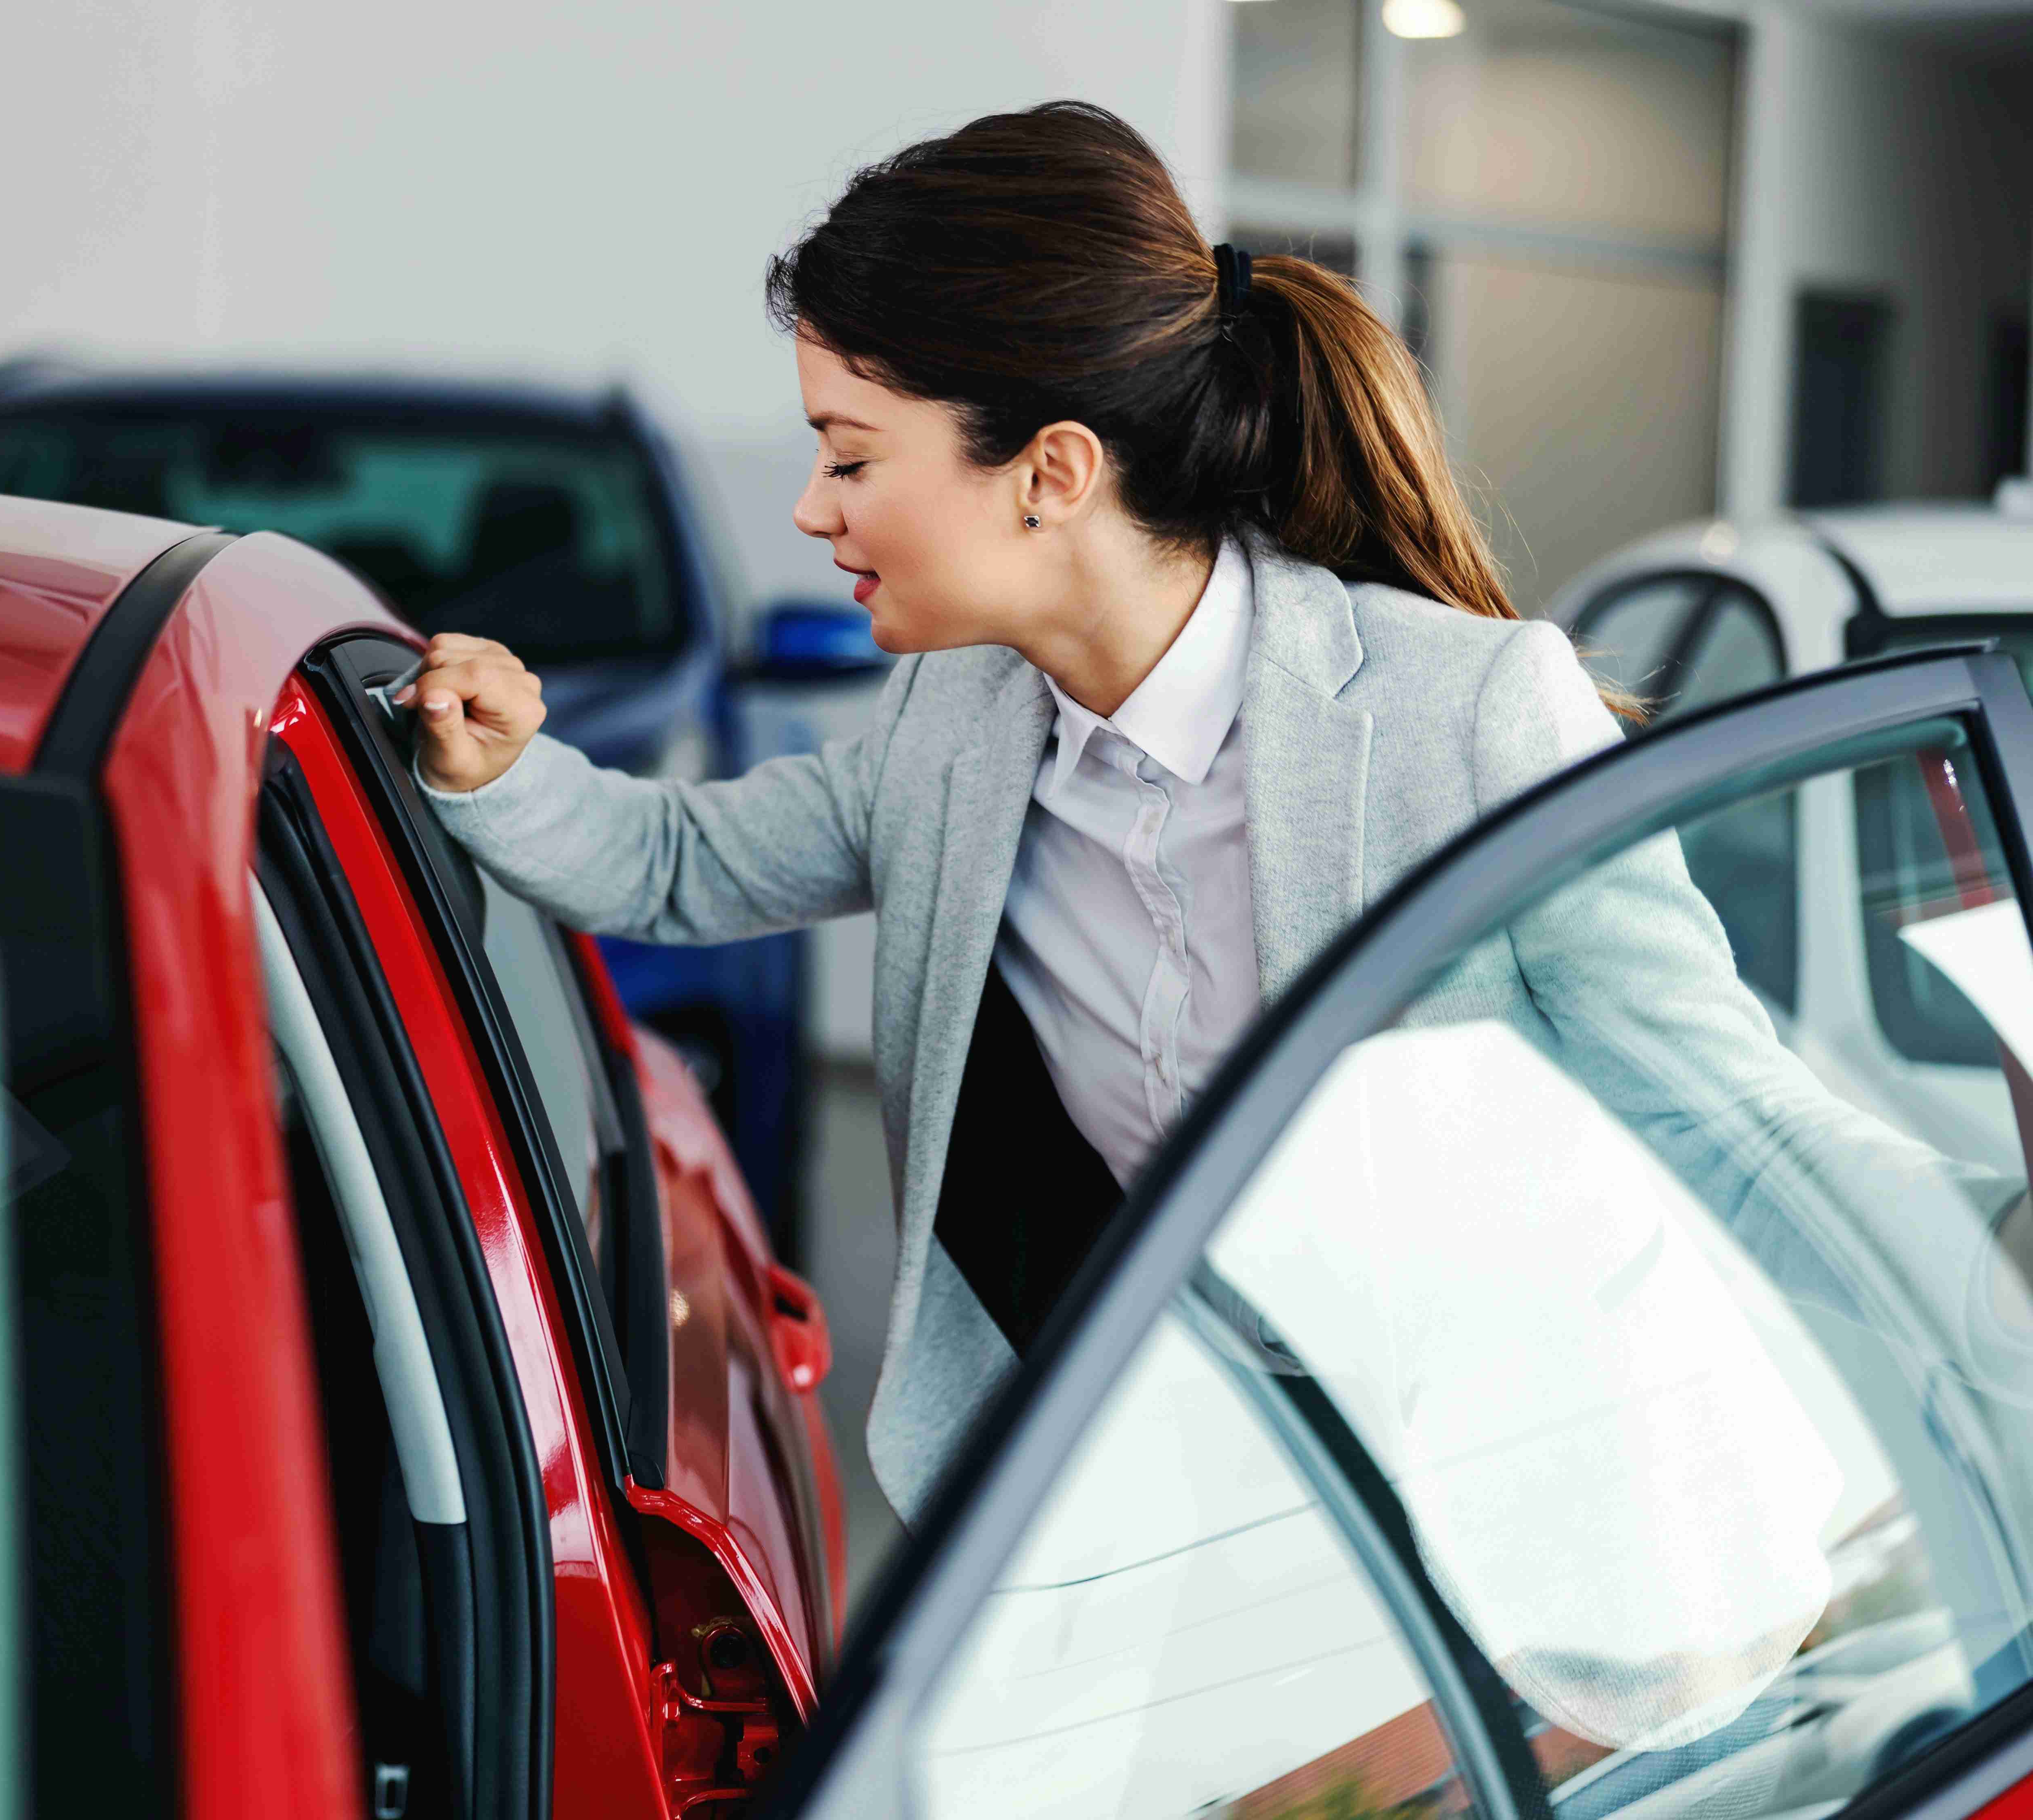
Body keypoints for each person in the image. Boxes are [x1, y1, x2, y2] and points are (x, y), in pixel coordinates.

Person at [390, 101, 2018, 1525]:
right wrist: (502, 769)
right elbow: (683, 861)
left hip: (1502, 1542)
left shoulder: (1465, 719)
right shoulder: (950, 726)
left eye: (851, 455)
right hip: (1163, 1532)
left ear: (1052, 470)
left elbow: (1729, 1115)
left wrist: (1991, 1251)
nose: (813, 509)